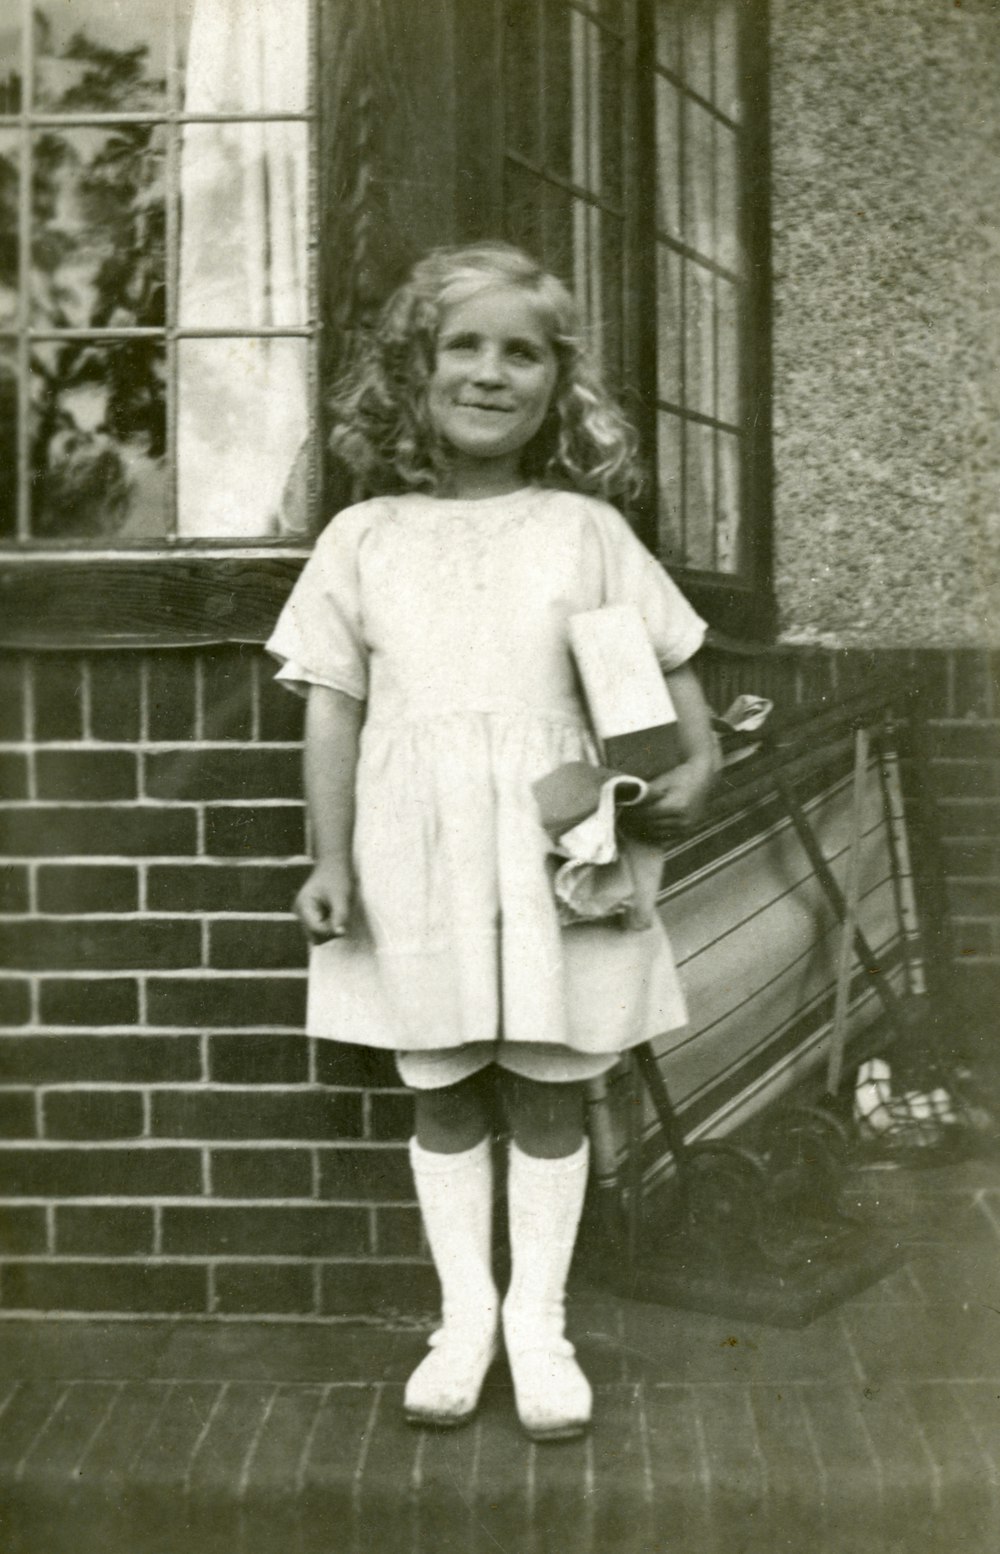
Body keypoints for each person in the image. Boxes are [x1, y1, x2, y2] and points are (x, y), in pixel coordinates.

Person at [266, 242, 719, 1441]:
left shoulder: (582, 529)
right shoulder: (364, 535)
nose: (489, 372)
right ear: (414, 373)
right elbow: (333, 703)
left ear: (554, 384)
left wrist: (701, 759)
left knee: (550, 1083)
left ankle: (540, 1322)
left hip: (549, 839)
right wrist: (328, 857)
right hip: (415, 849)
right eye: (461, 346)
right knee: (445, 1081)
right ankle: (464, 1317)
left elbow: (657, 675)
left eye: (520, 351)